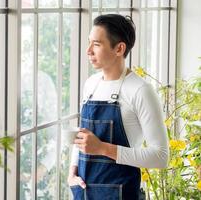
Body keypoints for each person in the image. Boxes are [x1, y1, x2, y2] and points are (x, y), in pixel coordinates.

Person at [68, 14, 169, 200]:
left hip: (121, 194)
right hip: (84, 193)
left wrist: (102, 148)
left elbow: (161, 156)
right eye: (89, 42)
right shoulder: (90, 84)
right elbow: (83, 138)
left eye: (97, 44)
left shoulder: (141, 91)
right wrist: (71, 173)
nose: (88, 50)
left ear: (119, 48)